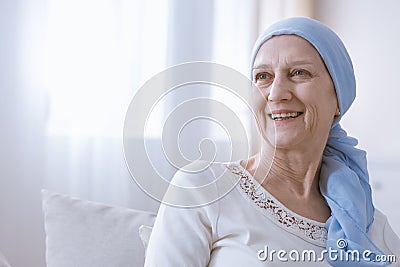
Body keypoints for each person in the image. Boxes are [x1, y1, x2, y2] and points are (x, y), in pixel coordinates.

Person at [144, 17, 400, 266]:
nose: (276, 93)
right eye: (263, 76)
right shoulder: (202, 189)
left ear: (338, 98)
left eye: (299, 73)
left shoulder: (367, 224)